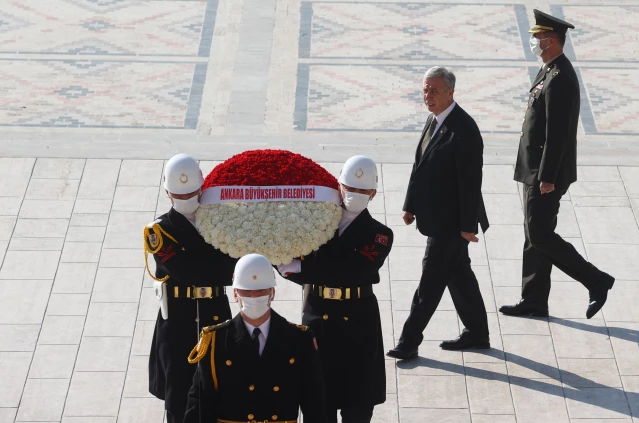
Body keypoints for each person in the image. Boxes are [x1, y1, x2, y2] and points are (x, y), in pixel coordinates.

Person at [500, 10, 614, 319]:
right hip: (533, 170)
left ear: (552, 40)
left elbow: (558, 134)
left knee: (540, 234)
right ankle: (534, 300)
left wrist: (547, 177)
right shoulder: (549, 70)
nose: (534, 42)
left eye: (538, 37)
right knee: (533, 233)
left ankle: (596, 280)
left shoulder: (561, 78)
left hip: (544, 175)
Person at [277, 155, 393, 423]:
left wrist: (299, 266)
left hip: (358, 323)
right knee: (318, 405)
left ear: (373, 193)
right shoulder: (315, 223)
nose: (355, 194)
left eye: (363, 190)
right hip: (320, 317)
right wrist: (279, 255)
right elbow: (298, 261)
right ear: (339, 187)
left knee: (358, 406)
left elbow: (350, 273)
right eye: (350, 188)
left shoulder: (380, 234)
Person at [386, 66, 490, 361]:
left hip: (451, 224)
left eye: (434, 90)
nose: (427, 96)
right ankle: (478, 333)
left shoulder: (465, 129)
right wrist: (410, 204)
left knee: (429, 283)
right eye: (425, 90)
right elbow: (419, 164)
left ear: (450, 93)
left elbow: (471, 183)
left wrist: (468, 226)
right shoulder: (434, 121)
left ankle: (409, 341)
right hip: (436, 218)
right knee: (459, 275)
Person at [143, 154, 238, 423]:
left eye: (192, 192)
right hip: (179, 321)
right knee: (179, 399)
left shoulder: (220, 224)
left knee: (221, 390)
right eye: (179, 193)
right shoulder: (158, 232)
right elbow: (190, 273)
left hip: (215, 314)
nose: (186, 199)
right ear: (166, 193)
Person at [184, 253, 327, 423]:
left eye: (261, 291)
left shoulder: (299, 339)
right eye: (246, 291)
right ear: (235, 294)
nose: (253, 296)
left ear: (272, 293)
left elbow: (315, 406)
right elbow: (199, 407)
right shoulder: (215, 341)